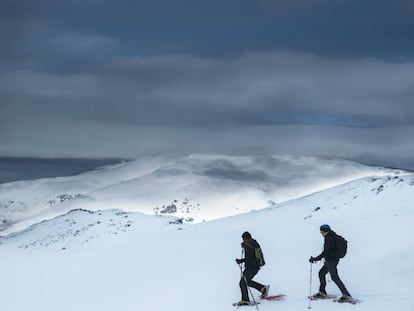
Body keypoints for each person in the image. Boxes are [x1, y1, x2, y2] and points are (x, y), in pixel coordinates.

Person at [309, 224, 352, 302]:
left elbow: (325, 252)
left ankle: (346, 295)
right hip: (332, 260)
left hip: (331, 261)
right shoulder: (333, 235)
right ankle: (322, 292)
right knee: (321, 273)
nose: (321, 233)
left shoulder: (329, 238)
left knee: (334, 278)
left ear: (325, 231)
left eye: (321, 232)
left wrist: (315, 259)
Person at [235, 231, 270, 306]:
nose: (243, 241)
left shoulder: (253, 245)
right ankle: (263, 289)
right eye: (243, 239)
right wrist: (241, 261)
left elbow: (255, 258)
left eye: (244, 239)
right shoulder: (248, 245)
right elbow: (249, 258)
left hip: (253, 268)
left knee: (243, 283)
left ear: (249, 238)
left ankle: (245, 300)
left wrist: (251, 264)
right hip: (250, 267)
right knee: (246, 281)